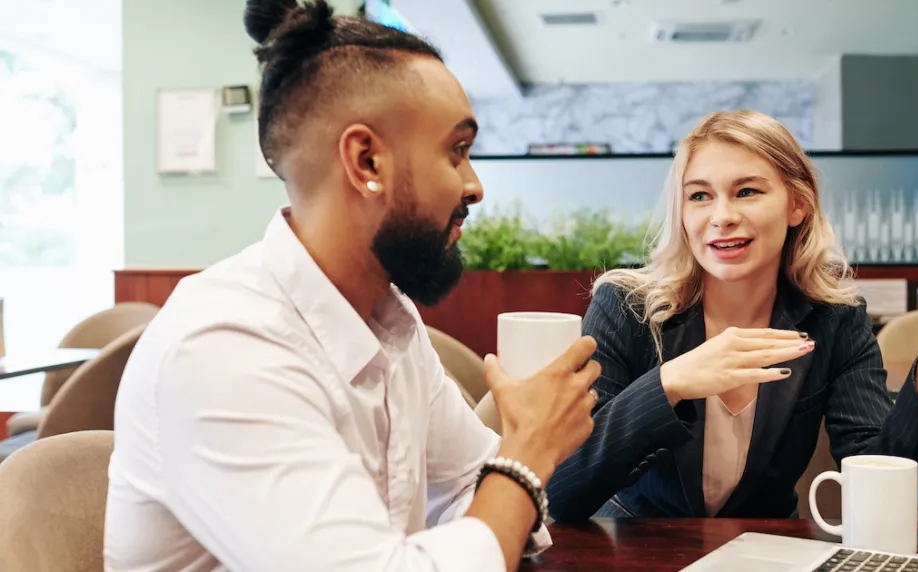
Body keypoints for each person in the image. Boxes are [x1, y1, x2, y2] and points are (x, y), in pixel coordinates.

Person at [103, 2, 601, 571]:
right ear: (367, 160)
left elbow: (472, 487)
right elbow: (495, 501)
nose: (474, 184)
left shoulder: (390, 321)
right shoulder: (223, 349)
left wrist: (504, 486)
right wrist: (527, 451)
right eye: (456, 151)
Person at [545, 110, 918, 522]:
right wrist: (668, 384)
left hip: (764, 553)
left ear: (797, 205)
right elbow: (564, 493)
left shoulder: (835, 319)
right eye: (699, 197)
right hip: (635, 551)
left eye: (748, 191)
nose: (722, 216)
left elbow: (884, 501)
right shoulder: (625, 308)